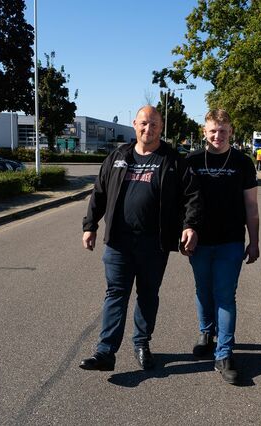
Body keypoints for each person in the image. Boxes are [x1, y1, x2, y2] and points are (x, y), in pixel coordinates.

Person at [80, 105, 202, 371]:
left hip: (153, 243)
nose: (149, 129)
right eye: (144, 123)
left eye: (154, 124)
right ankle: (105, 352)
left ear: (161, 128)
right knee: (116, 293)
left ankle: (141, 344)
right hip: (119, 243)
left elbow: (192, 195)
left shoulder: (172, 160)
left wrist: (189, 225)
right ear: (134, 124)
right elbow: (99, 192)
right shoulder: (118, 156)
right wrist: (90, 225)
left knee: (148, 295)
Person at [185, 109, 259, 384]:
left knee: (225, 296)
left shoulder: (242, 162)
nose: (218, 135)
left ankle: (224, 353)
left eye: (223, 130)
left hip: (230, 241)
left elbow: (251, 206)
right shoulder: (191, 160)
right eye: (213, 130)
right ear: (204, 131)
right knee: (203, 290)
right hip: (199, 242)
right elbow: (181, 202)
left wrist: (254, 241)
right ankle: (206, 332)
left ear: (231, 132)